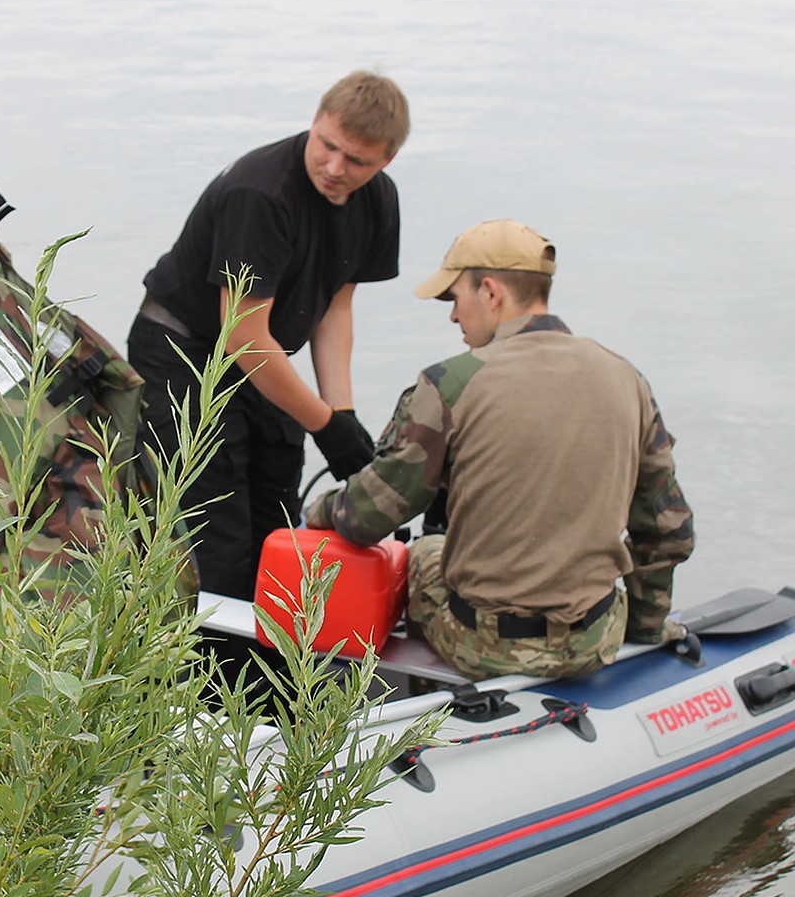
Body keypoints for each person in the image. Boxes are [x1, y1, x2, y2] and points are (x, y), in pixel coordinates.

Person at [305, 219, 694, 679]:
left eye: (455, 299)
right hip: (595, 639)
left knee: (428, 549)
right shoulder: (626, 378)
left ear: (490, 292)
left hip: (483, 647)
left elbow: (367, 517)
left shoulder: (449, 382)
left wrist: (322, 510)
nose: (453, 316)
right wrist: (646, 630)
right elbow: (668, 530)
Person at [128, 71, 410, 600]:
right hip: (183, 350)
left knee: (278, 513)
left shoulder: (378, 202)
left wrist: (341, 412)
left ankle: (271, 673)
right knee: (218, 536)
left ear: (386, 160)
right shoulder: (261, 193)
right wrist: (325, 424)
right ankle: (204, 676)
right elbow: (244, 337)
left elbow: (335, 309)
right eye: (327, 145)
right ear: (315, 122)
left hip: (262, 355)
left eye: (356, 161)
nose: (334, 167)